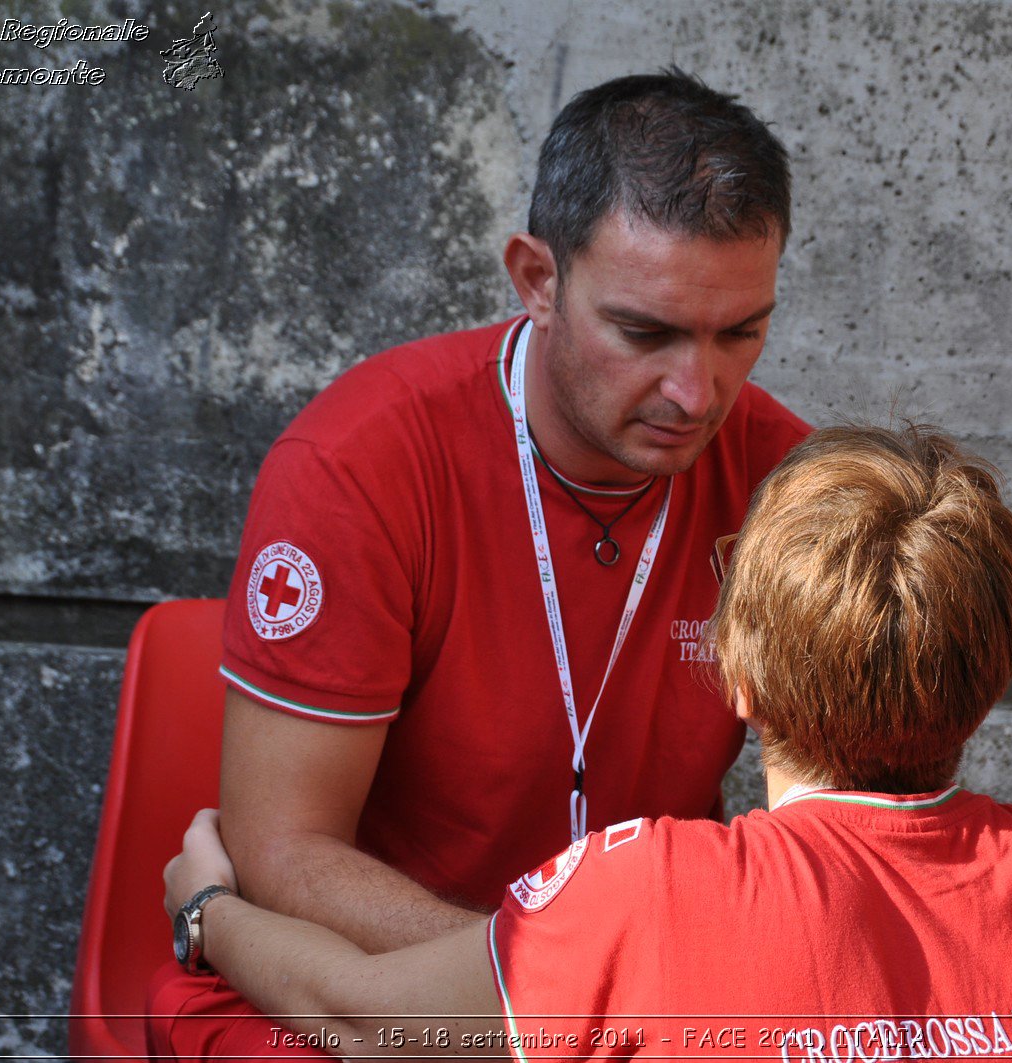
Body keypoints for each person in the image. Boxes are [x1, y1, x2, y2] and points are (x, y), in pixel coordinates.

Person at [153, 423, 1012, 1061]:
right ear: (993, 670)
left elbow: (360, 1020)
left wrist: (207, 912)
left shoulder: (652, 896)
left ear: (737, 678)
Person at [147, 69, 811, 1039]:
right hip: (366, 985)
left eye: (739, 334)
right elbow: (282, 851)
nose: (696, 391)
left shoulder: (789, 486)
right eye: (645, 331)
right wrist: (547, 982)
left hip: (626, 1002)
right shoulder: (361, 462)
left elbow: (843, 841)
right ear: (537, 280)